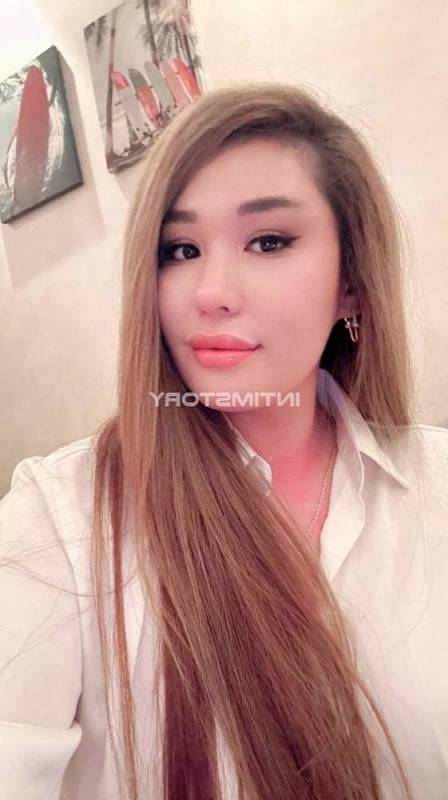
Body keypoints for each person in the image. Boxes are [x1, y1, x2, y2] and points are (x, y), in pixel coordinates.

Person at [0, 82, 447, 800]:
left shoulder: (435, 483)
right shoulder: (60, 518)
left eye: (268, 241)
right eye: (179, 249)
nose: (210, 292)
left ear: (351, 283)